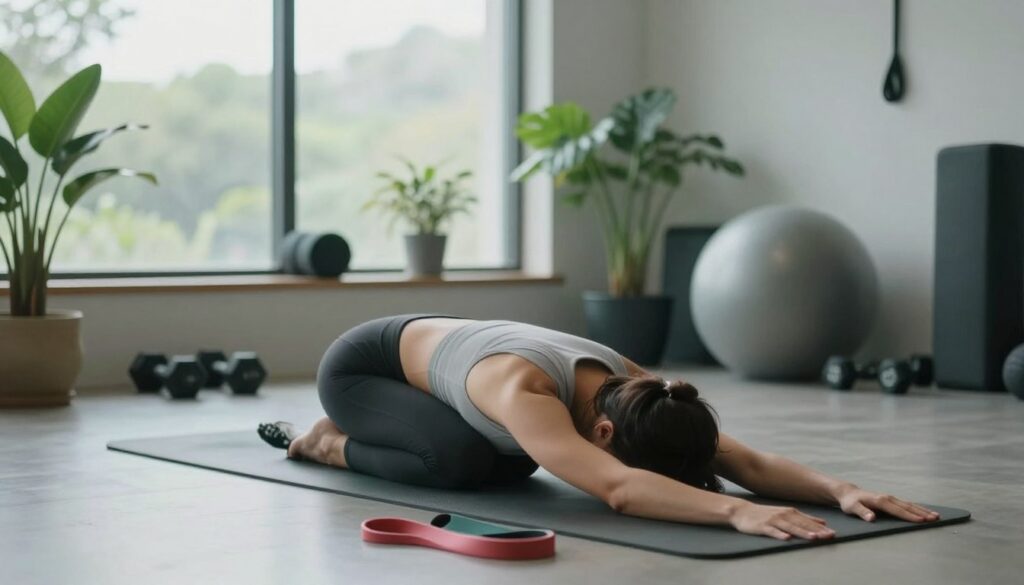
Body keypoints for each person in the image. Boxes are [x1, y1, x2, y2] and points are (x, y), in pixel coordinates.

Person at [258, 314, 939, 541]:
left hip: (437, 367)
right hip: (361, 370)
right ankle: (330, 442)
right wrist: (734, 512)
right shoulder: (527, 392)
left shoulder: (640, 389)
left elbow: (743, 459)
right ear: (607, 432)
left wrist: (842, 488)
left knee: (514, 463)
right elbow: (616, 488)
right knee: (465, 462)